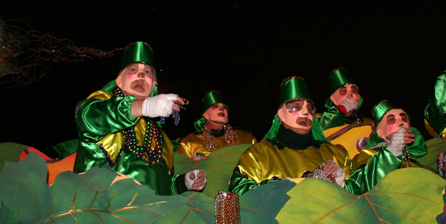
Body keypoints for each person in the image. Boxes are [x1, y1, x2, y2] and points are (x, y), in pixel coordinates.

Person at [73, 41, 206, 195]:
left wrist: (182, 183)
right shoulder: (99, 107)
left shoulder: (158, 135)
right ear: (119, 80)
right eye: (133, 69)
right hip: (105, 211)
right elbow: (90, 118)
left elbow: (160, 185)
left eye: (148, 72)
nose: (141, 75)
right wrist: (143, 106)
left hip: (155, 214)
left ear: (153, 85)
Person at [228, 77, 369, 195]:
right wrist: (289, 186)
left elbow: (357, 197)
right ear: (281, 115)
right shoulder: (258, 154)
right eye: (296, 107)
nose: (305, 113)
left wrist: (340, 185)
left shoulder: (336, 154)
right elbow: (239, 193)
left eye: (309, 108)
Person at [350, 101, 428, 193]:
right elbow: (365, 186)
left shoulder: (417, 157)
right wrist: (392, 151)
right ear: (380, 131)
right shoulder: (366, 156)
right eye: (391, 119)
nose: (401, 122)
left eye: (404, 118)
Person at [178, 90, 256, 159]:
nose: (222, 109)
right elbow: (178, 172)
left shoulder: (247, 138)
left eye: (224, 107)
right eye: (215, 106)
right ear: (205, 115)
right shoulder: (189, 143)